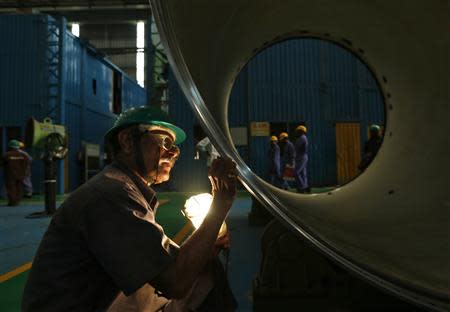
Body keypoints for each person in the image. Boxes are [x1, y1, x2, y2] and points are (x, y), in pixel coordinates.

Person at [22, 106, 238, 312]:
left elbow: (161, 261)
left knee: (205, 267)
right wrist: (219, 207)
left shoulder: (124, 188)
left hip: (96, 301)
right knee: (208, 276)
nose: (173, 153)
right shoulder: (110, 194)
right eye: (164, 141)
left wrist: (208, 243)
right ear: (127, 141)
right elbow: (175, 281)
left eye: (175, 147)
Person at [1, 139, 30, 206]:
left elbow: (2, 164)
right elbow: (27, 164)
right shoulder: (24, 155)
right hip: (21, 174)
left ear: (10, 146)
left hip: (10, 175)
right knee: (19, 188)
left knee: (11, 188)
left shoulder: (7, 155)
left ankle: (12, 201)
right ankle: (17, 201)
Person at [294, 125, 310, 193]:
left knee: (296, 173)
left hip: (301, 157)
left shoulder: (302, 138)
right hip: (302, 156)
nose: (296, 132)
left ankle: (301, 187)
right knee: (303, 173)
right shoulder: (302, 138)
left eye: (298, 131)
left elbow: (297, 148)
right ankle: (306, 187)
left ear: (301, 131)